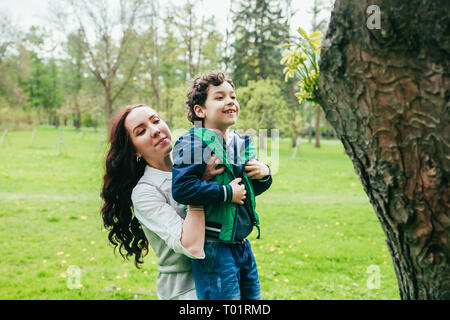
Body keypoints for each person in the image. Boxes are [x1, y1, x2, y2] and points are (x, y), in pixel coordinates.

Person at [100, 103, 224, 300]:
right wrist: (198, 186)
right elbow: (191, 245)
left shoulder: (198, 163)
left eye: (156, 120)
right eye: (141, 131)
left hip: (228, 275)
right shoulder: (145, 193)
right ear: (135, 151)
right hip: (186, 290)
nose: (155, 130)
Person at [171, 70, 273, 300]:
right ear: (200, 110)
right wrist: (227, 193)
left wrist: (264, 174)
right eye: (219, 97)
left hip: (241, 244)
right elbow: (182, 189)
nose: (230, 101)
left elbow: (246, 192)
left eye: (233, 97)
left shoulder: (240, 142)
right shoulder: (193, 142)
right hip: (213, 247)